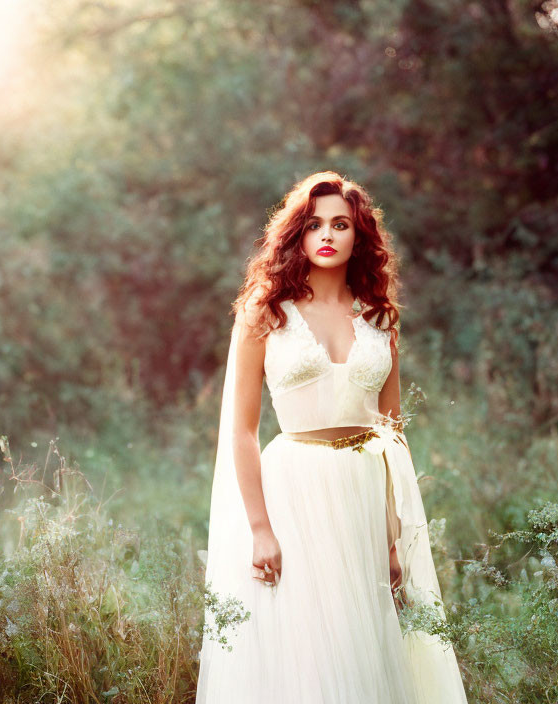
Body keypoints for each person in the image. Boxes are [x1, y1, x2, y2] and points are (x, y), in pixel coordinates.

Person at [195, 172, 469, 703]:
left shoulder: (379, 319)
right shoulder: (266, 312)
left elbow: (392, 435)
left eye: (340, 224)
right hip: (294, 489)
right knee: (308, 644)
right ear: (297, 233)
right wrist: (259, 529)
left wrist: (394, 538)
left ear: (358, 236)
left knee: (364, 637)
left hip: (363, 492)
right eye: (314, 223)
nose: (327, 234)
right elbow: (242, 430)